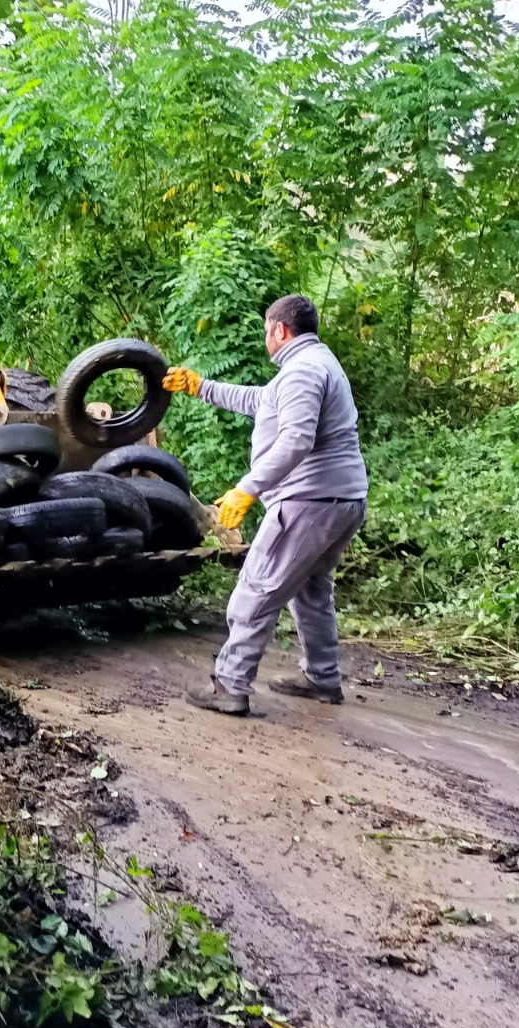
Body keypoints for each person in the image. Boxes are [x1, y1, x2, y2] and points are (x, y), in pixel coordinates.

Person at [163, 294, 368, 717]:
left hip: (309, 503)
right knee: (311, 592)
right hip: (339, 499)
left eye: (266, 332)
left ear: (279, 330)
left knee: (257, 589)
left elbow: (296, 440)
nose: (266, 339)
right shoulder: (313, 363)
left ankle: (230, 685)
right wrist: (203, 387)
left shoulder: (303, 372)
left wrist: (248, 488)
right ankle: (321, 678)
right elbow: (261, 402)